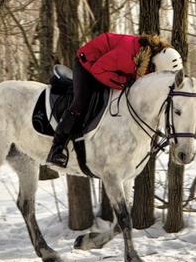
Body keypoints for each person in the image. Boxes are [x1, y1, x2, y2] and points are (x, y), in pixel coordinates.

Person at [46, 32, 183, 168]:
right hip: (88, 63)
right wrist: (124, 81)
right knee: (81, 102)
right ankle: (57, 148)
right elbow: (98, 70)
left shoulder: (151, 57)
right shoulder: (127, 57)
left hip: (110, 66)